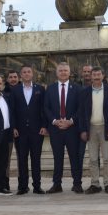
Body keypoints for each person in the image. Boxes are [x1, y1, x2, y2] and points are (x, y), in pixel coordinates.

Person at [44, 62, 83, 193]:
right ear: (56, 73)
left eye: (65, 70)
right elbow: (46, 107)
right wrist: (55, 121)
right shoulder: (50, 89)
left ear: (69, 72)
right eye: (60, 70)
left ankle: (77, 184)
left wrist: (70, 121)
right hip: (56, 129)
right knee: (57, 157)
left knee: (74, 157)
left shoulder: (77, 88)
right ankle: (57, 184)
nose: (63, 73)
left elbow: (80, 108)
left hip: (72, 129)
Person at [79, 66, 108, 194]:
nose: (96, 77)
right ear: (91, 76)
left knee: (107, 158)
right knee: (93, 159)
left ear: (103, 76)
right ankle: (95, 184)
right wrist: (83, 130)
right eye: (94, 74)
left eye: (98, 74)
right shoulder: (85, 92)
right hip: (90, 128)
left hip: (105, 127)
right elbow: (81, 113)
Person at [11, 65, 47, 195]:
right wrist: (13, 127)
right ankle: (22, 186)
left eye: (29, 72)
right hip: (20, 131)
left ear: (32, 74)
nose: (26, 74)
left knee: (36, 159)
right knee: (22, 159)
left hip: (37, 131)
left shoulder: (40, 89)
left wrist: (44, 126)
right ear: (21, 75)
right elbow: (12, 110)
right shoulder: (15, 90)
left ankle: (37, 186)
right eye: (24, 72)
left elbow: (44, 109)